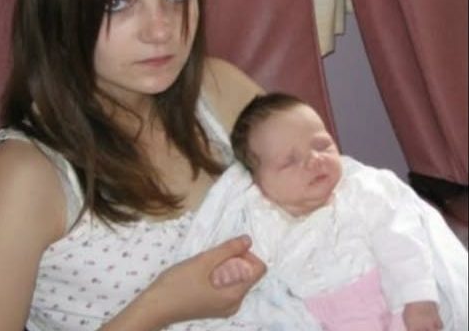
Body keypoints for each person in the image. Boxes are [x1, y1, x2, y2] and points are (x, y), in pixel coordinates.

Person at [0, 0, 269, 330]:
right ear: (60, 11)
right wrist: (159, 307)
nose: (161, 31)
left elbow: (330, 203)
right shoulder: (29, 175)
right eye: (116, 3)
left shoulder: (222, 93)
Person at [178, 93, 468, 331]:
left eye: (322, 145)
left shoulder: (361, 192)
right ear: (259, 183)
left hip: (388, 299)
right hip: (325, 318)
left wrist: (418, 300)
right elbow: (255, 263)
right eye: (290, 161)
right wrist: (234, 270)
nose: (315, 159)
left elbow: (402, 242)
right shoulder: (263, 217)